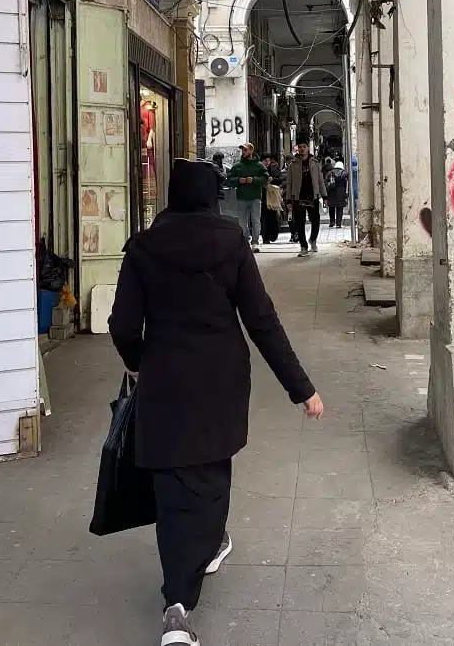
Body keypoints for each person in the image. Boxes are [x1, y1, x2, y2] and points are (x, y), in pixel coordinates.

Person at [108, 158, 325, 646]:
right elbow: (262, 321)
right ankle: (202, 556)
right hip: (220, 381)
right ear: (210, 196)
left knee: (171, 486)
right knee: (210, 474)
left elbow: (122, 324)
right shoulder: (231, 243)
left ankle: (177, 602)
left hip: (164, 382)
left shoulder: (142, 247)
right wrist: (302, 388)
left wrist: (137, 362)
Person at [226, 142, 268, 253]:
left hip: (255, 197)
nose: (243, 152)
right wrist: (238, 180)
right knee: (242, 221)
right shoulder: (237, 166)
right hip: (242, 197)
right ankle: (245, 241)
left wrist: (254, 180)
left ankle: (255, 242)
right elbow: (229, 180)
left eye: (245, 150)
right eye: (242, 150)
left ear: (251, 150)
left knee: (255, 221)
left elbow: (265, 179)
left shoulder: (259, 165)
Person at [286, 141, 325, 257]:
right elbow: (289, 183)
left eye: (304, 146)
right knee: (299, 223)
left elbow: (320, 180)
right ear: (297, 149)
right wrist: (289, 200)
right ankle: (303, 246)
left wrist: (324, 196)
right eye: (300, 147)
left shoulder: (315, 163)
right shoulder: (293, 164)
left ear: (308, 148)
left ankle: (313, 239)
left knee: (315, 221)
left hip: (312, 196)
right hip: (298, 197)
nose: (302, 149)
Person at [260, 153, 283, 244]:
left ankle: (272, 235)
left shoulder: (273, 169)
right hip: (262, 197)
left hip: (272, 196)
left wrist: (272, 179)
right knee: (264, 217)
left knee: (273, 216)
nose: (267, 162)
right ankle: (265, 237)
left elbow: (280, 179)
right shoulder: (258, 170)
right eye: (265, 160)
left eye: (268, 160)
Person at [325, 159, 349, 228]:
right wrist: (346, 194)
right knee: (340, 209)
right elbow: (347, 184)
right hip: (341, 193)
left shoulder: (329, 173)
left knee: (331, 208)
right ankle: (338, 223)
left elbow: (326, 182)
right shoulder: (345, 173)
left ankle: (332, 222)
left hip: (331, 193)